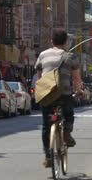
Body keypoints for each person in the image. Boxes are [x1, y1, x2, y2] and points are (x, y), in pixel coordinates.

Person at [35, 28, 82, 168]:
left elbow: (39, 77)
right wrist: (79, 91)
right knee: (69, 114)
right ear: (66, 42)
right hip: (64, 94)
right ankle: (67, 134)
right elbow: (76, 78)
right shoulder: (70, 56)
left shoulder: (42, 55)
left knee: (45, 125)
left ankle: (48, 156)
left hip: (47, 94)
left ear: (51, 41)